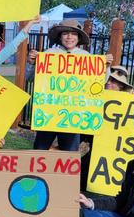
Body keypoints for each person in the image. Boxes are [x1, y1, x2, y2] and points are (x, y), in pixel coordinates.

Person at [26, 19, 113, 151]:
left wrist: (105, 67)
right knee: (39, 151)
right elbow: (30, 78)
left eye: (73, 34)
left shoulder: (86, 57)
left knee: (69, 155)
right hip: (49, 113)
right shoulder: (49, 54)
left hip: (73, 116)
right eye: (65, 33)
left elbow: (100, 82)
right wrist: (32, 64)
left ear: (78, 38)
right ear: (60, 36)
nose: (69, 37)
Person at [80, 65, 134, 191]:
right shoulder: (96, 99)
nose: (108, 83)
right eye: (107, 79)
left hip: (117, 155)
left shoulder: (130, 102)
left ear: (121, 86)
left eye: (112, 81)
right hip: (96, 152)